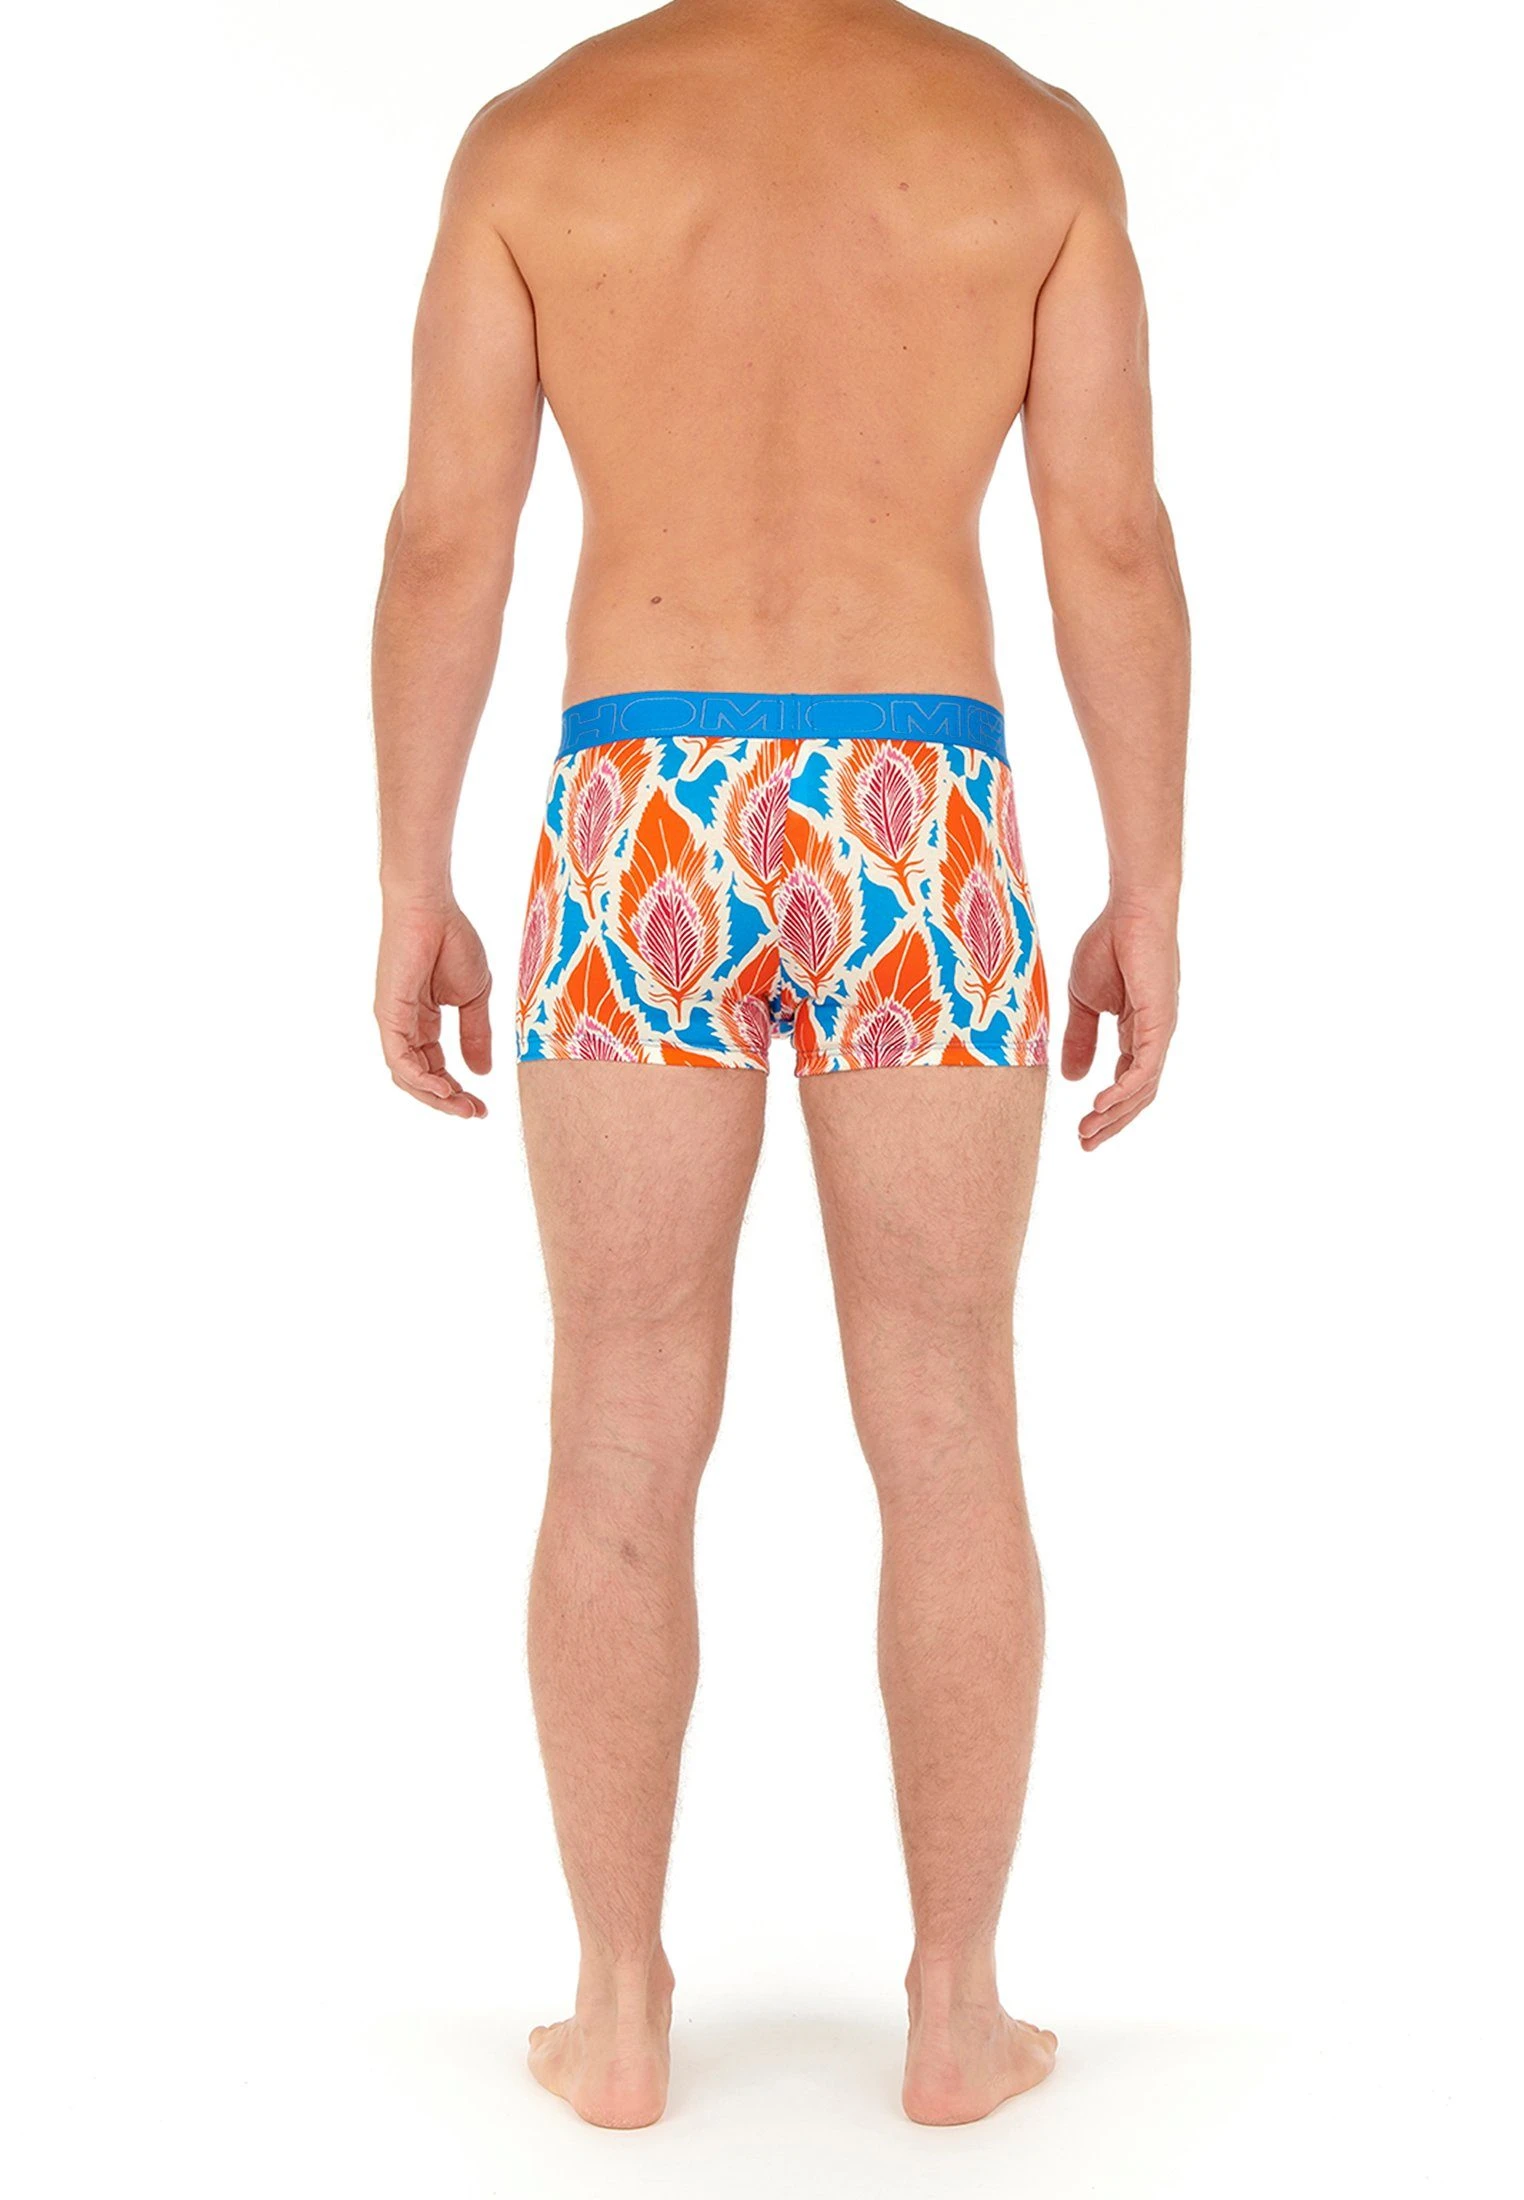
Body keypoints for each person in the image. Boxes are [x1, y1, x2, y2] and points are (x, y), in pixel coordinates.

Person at [372, 0, 1187, 2132]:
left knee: (618, 1414)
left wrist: (411, 877)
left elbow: (446, 535)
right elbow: (1109, 537)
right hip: (921, 812)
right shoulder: (1028, 145)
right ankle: (960, 2010)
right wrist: (1150, 884)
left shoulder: (540, 142)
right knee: (949, 1407)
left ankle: (617, 2011)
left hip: (638, 801)